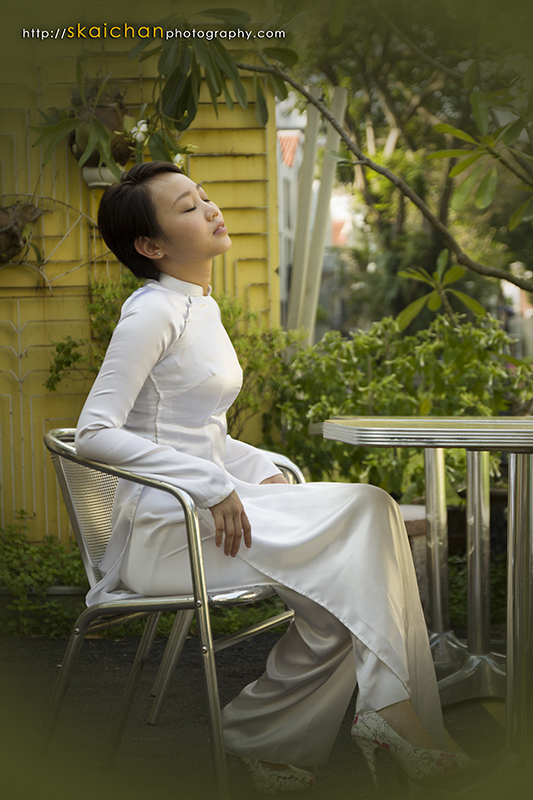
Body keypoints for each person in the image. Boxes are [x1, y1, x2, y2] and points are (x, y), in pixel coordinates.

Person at [75, 161, 474, 794]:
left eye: (203, 196)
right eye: (186, 207)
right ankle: (394, 717)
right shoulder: (152, 312)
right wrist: (209, 486)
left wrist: (256, 470)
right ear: (150, 247)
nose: (209, 209)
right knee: (368, 514)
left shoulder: (197, 306)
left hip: (208, 517)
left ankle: (281, 734)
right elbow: (95, 432)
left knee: (362, 543)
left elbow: (198, 429)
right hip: (170, 533)